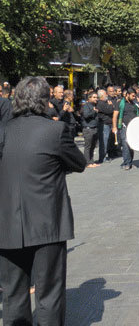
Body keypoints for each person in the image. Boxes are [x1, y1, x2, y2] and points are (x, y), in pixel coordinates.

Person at [0, 76, 86, 325]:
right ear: (46, 101)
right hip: (47, 224)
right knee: (49, 294)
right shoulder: (55, 130)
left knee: (13, 296)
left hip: (7, 225)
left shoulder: (3, 131)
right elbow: (79, 164)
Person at [112, 88, 139, 170]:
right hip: (124, 127)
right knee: (125, 144)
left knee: (132, 145)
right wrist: (114, 127)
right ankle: (126, 162)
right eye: (133, 95)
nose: (134, 97)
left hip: (133, 128)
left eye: (135, 96)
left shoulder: (134, 104)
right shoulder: (120, 103)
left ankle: (130, 162)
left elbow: (137, 113)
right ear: (127, 95)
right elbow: (115, 116)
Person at [81, 91, 100, 168]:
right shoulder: (86, 106)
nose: (96, 99)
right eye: (94, 97)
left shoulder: (94, 105)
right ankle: (87, 162)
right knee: (88, 146)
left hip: (94, 128)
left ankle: (91, 161)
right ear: (89, 98)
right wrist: (94, 111)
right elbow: (86, 115)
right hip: (88, 129)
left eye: (97, 97)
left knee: (93, 146)